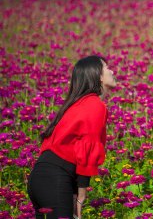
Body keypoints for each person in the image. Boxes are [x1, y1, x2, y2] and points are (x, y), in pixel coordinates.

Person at [27, 55, 117, 219]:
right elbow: (86, 149)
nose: (112, 71)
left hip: (41, 178)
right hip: (55, 179)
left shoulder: (76, 104)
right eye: (106, 67)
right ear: (97, 75)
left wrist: (73, 190)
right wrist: (81, 196)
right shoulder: (94, 104)